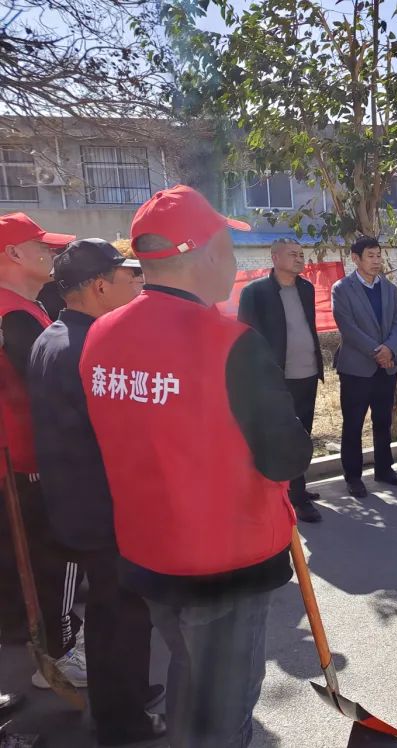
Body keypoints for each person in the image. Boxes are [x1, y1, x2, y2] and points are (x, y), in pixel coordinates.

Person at [79, 185, 313, 748]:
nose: (234, 263)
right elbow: (286, 456)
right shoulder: (230, 343)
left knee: (188, 675)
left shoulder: (100, 336)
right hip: (225, 565)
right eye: (229, 248)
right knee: (223, 717)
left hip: (148, 552)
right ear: (207, 254)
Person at [27, 239, 166, 745]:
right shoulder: (92, 346)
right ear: (101, 286)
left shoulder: (54, 336)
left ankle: (127, 694)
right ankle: (122, 721)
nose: (138, 284)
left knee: (112, 612)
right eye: (129, 276)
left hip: (76, 503)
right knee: (122, 615)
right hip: (106, 508)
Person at [0, 212, 84, 689]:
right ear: (13, 254)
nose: (50, 253)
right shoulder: (12, 314)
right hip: (27, 460)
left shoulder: (23, 307)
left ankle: (34, 635)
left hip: (23, 458)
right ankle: (58, 653)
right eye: (41, 246)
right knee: (54, 557)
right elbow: (47, 391)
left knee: (28, 562)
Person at [238, 237, 324, 522]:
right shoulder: (255, 292)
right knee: (279, 437)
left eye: (301, 254)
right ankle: (288, 497)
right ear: (275, 258)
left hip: (307, 373)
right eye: (293, 254)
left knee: (302, 435)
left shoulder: (306, 289)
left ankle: (298, 489)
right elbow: (245, 339)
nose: (300, 259)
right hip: (276, 380)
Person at [332, 236, 397, 497]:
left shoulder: (389, 288)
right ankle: (353, 476)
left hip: (386, 368)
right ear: (356, 258)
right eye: (370, 256)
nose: (376, 261)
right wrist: (378, 352)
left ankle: (384, 469)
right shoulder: (342, 289)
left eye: (378, 255)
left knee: (383, 420)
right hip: (356, 369)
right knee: (353, 424)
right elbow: (348, 328)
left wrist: (390, 349)